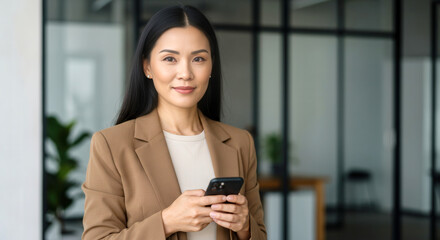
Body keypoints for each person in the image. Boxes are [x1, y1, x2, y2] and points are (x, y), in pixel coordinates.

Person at [81, 5, 266, 240]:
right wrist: (166, 222)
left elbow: (260, 233)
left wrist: (245, 227)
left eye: (198, 58)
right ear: (147, 66)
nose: (185, 73)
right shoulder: (111, 145)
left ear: (211, 67)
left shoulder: (241, 143)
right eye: (170, 58)